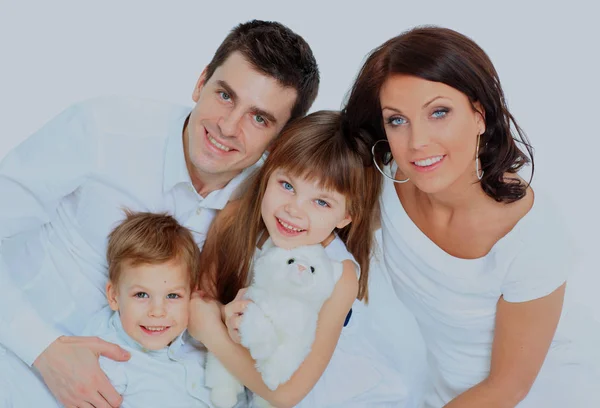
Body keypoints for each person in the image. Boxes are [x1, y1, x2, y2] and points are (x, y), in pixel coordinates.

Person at [0, 19, 319, 408]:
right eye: (224, 95)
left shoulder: (279, 206)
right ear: (201, 82)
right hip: (21, 363)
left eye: (259, 118)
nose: (228, 126)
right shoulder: (104, 128)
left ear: (282, 136)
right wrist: (42, 349)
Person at [344, 25, 600, 407]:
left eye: (439, 112)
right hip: (443, 391)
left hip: (543, 391)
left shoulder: (530, 234)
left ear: (479, 114)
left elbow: (508, 387)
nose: (417, 142)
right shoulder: (385, 180)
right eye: (397, 120)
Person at [188, 110, 409, 407]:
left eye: (321, 201)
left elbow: (286, 395)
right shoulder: (234, 219)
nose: (294, 209)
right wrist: (224, 316)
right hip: (240, 376)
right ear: (269, 172)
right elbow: (202, 304)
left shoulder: (339, 274)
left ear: (346, 215)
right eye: (288, 186)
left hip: (308, 388)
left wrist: (212, 331)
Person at [82, 211, 248, 407]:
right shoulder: (105, 359)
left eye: (172, 296)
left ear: (191, 294)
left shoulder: (201, 338)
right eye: (141, 295)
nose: (157, 311)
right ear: (113, 296)